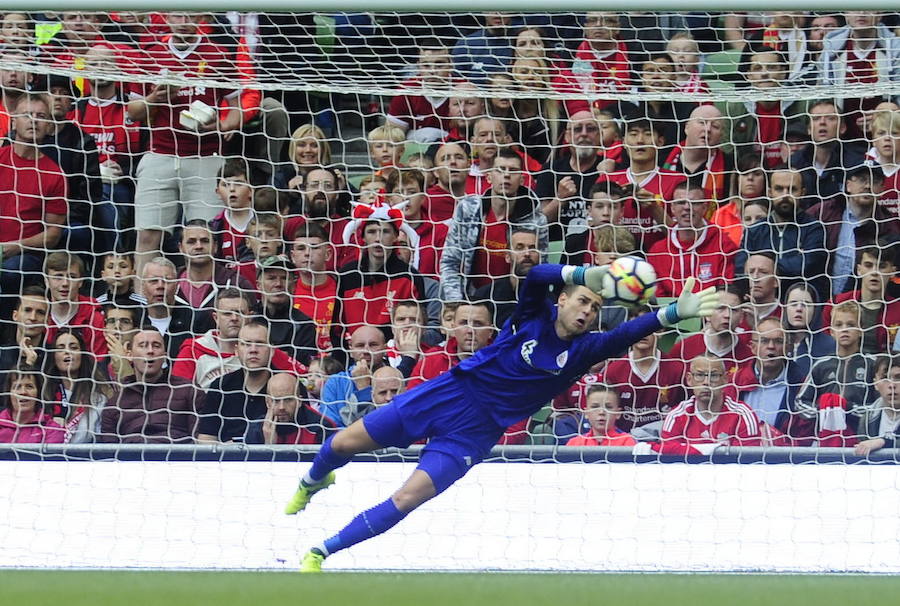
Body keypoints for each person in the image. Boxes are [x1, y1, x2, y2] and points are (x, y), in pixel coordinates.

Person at [284, 263, 718, 572]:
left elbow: (628, 332)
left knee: (406, 498)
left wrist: (675, 312)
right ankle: (314, 481)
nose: (587, 311)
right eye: (582, 301)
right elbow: (533, 277)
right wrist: (582, 273)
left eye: (594, 308)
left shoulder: (586, 349)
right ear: (563, 300)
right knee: (340, 445)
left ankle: (321, 552)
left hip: (474, 433)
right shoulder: (533, 315)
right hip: (446, 394)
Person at [127, 11, 241, 277]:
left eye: (189, 16)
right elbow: (132, 112)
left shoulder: (218, 53)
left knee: (206, 236)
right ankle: (143, 302)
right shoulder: (150, 54)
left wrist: (223, 125)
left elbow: (236, 110)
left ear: (200, 18)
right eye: (177, 16)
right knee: (147, 236)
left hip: (206, 158)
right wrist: (154, 98)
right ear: (167, 19)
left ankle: (209, 300)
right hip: (160, 155)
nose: (183, 22)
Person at [441, 149, 548, 301]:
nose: (506, 175)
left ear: (522, 180)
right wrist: (456, 301)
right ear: (489, 177)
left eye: (513, 170)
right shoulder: (468, 209)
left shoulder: (536, 220)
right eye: (500, 170)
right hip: (470, 298)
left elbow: (539, 267)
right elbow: (450, 260)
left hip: (513, 301)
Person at [0, 93, 67, 299]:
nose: (34, 121)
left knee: (12, 271)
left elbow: (53, 234)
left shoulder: (55, 174)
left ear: (49, 126)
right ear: (13, 122)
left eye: (41, 116)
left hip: (23, 255)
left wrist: (15, 247)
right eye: (27, 115)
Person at [807, 166, 899, 297]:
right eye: (862, 180)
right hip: (816, 296)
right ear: (848, 185)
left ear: (882, 190)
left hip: (858, 303)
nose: (867, 186)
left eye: (874, 181)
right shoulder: (822, 212)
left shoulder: (888, 226)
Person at [793, 300, 879, 439]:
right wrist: (823, 411)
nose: (844, 329)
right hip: (826, 439)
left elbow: (882, 406)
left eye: (850, 325)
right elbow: (800, 402)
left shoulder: (872, 364)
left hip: (862, 440)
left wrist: (848, 408)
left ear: (861, 329)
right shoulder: (821, 364)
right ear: (832, 331)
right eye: (839, 325)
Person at [101, 329, 201, 443]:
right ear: (129, 355)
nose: (150, 351)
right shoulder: (115, 403)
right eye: (143, 345)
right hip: (132, 459)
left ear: (165, 355)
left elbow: (199, 442)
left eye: (156, 346)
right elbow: (108, 452)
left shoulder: (189, 390)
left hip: (177, 458)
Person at [738, 167, 827, 293]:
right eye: (779, 189)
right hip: (762, 301)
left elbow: (806, 264)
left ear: (802, 192)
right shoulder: (754, 230)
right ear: (769, 192)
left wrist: (763, 268)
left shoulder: (814, 228)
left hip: (801, 301)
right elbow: (741, 267)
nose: (785, 195)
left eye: (792, 189)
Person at [646, 179, 737, 298]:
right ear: (672, 208)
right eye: (681, 202)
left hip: (710, 313)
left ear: (705, 208)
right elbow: (658, 298)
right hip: (670, 314)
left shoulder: (724, 245)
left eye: (694, 203)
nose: (687, 207)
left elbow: (726, 292)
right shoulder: (657, 251)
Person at [600, 307, 685, 431]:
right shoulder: (613, 371)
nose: (643, 332)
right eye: (636, 327)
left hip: (663, 443)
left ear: (661, 331)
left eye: (649, 327)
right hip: (624, 445)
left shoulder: (677, 370)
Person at [660, 354, 763, 454]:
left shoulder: (743, 415)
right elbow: (668, 462)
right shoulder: (676, 416)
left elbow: (749, 463)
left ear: (725, 379)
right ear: (689, 379)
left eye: (713, 375)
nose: (706, 382)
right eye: (700, 375)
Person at [196, 319, 277, 443]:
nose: (253, 350)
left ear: (272, 351)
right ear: (236, 350)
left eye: (260, 344)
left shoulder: (287, 386)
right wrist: (224, 450)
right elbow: (205, 437)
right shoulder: (220, 386)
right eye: (247, 344)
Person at [535, 110, 606, 241]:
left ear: (600, 135)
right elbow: (539, 221)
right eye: (578, 129)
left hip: (598, 247)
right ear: (567, 136)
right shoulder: (551, 170)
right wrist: (560, 199)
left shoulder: (609, 170)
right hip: (556, 249)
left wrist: (608, 177)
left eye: (590, 129)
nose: (584, 134)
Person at [821, 245, 900, 355]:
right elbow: (824, 345)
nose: (875, 272)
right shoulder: (835, 304)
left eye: (881, 266)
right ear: (859, 270)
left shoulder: (898, 312)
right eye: (868, 265)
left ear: (892, 272)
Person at [734, 316, 806, 434]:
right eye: (764, 340)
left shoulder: (802, 386)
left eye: (778, 341)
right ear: (753, 347)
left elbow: (805, 435)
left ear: (787, 348)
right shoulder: (735, 383)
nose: (771, 346)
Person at [41, 328, 112, 443]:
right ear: (53, 357)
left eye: (73, 348)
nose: (67, 352)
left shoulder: (98, 398)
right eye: (60, 348)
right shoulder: (43, 394)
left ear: (83, 354)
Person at [407, 301, 495, 390]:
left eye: (478, 324)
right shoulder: (432, 360)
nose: (470, 330)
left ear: (491, 331)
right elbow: (411, 399)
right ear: (453, 327)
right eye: (464, 323)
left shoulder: (501, 362)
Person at [136, 257, 211, 360]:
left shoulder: (196, 320)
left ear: (176, 286)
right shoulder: (134, 318)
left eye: (167, 281)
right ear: (143, 286)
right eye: (153, 281)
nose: (160, 286)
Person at [788, 100, 866, 201]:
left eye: (830, 118)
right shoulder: (795, 162)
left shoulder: (855, 163)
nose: (822, 122)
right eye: (816, 119)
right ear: (809, 129)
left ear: (842, 128)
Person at [176, 219, 254, 312]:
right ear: (180, 248)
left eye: (205, 241)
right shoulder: (171, 282)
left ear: (215, 246)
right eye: (191, 242)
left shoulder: (237, 283)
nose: (198, 246)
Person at [472, 227, 541, 329]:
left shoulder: (548, 299)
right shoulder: (485, 295)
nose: (527, 254)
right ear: (507, 256)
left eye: (532, 248)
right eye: (520, 247)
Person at [319, 325, 387, 428]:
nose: (366, 351)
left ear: (385, 349)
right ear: (351, 351)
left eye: (373, 345)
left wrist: (364, 389)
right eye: (360, 345)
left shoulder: (396, 378)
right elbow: (330, 428)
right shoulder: (335, 383)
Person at [43, 252, 108, 360]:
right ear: (46, 281)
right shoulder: (38, 315)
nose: (65, 283)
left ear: (81, 282)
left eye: (72, 277)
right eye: (58, 277)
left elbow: (98, 366)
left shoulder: (95, 319)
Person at [661, 105, 732, 203]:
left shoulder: (730, 166)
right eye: (702, 122)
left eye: (715, 126)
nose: (708, 129)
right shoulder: (661, 162)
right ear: (686, 127)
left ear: (721, 135)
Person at [254, 255, 316, 365]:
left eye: (284, 278)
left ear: (293, 286)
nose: (278, 284)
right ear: (258, 285)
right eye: (271, 278)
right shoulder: (248, 317)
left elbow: (303, 365)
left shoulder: (304, 324)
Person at [290, 223, 337, 353]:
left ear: (328, 254)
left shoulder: (342, 291)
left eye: (314, 247)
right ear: (293, 257)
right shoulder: (286, 295)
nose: (307, 253)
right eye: (301, 248)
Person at [254, 372, 335, 445]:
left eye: (288, 399)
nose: (282, 407)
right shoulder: (257, 428)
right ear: (268, 402)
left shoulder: (322, 427)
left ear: (299, 401)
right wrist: (269, 445)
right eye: (276, 400)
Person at [782, 282, 835, 379]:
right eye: (793, 304)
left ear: (815, 309)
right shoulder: (775, 342)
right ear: (785, 308)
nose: (799, 309)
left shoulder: (830, 346)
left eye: (806, 304)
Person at [0, 365, 64, 444]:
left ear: (38, 393)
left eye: (29, 386)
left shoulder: (51, 429)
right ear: (8, 393)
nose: (23, 392)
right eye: (17, 387)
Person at [853, 354, 900, 455]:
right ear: (875, 384)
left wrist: (883, 442)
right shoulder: (867, 418)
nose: (892, 385)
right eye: (884, 378)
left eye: (898, 378)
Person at [565, 386, 637, 447]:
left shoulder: (627, 441)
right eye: (595, 407)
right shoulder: (575, 443)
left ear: (618, 413)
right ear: (586, 413)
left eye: (608, 407)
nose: (601, 412)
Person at [1, 286, 48, 371]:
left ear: (48, 320)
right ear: (15, 316)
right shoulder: (2, 354)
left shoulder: (53, 357)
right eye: (27, 310)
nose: (33, 317)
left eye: (40, 312)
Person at [340, 366, 406, 427]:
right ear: (373, 396)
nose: (389, 398)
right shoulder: (358, 422)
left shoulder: (414, 417)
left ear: (405, 391)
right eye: (383, 393)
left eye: (395, 391)